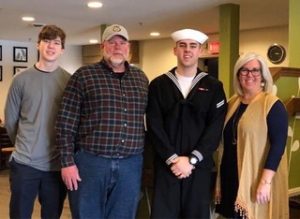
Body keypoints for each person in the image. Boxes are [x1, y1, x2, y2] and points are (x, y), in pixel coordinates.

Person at [55, 24, 148, 219]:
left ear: (128, 47)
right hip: (91, 163)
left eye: (122, 43)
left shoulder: (140, 79)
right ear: (102, 46)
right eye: (112, 42)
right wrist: (67, 162)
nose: (117, 47)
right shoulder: (84, 75)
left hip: (130, 165)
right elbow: (65, 122)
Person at [146, 28, 227, 218]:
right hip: (167, 167)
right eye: (182, 46)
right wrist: (173, 159)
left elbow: (215, 128)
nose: (187, 50)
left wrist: (192, 159)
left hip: (198, 168)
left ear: (200, 50)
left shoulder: (213, 86)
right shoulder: (159, 85)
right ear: (175, 50)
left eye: (193, 46)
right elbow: (154, 125)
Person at [4, 25, 70, 219]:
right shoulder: (20, 80)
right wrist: (27, 143)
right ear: (38, 45)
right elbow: (10, 121)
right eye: (47, 41)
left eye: (56, 42)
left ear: (62, 49)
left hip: (56, 166)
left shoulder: (69, 81)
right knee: (19, 214)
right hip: (25, 164)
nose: (51, 46)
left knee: (52, 215)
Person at [215, 52, 289, 219]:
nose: (250, 75)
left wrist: (265, 182)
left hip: (256, 176)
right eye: (244, 70)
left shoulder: (272, 104)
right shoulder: (233, 102)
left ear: (263, 75)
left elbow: (278, 146)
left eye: (255, 70)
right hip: (231, 173)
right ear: (238, 74)